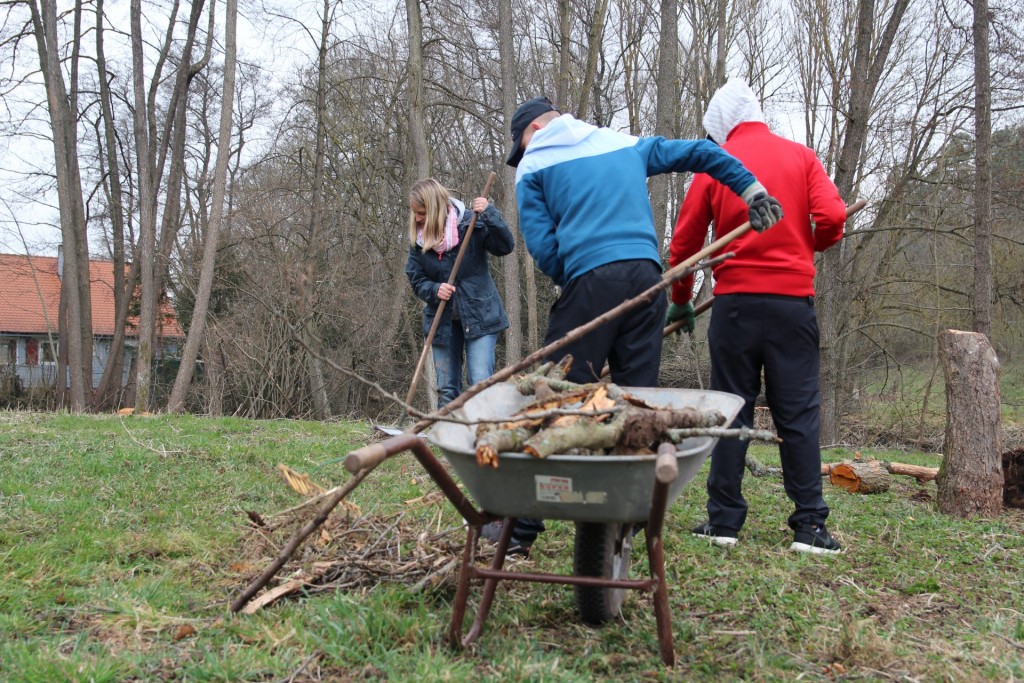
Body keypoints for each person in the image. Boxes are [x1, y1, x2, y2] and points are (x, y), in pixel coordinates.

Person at [481, 95, 784, 556]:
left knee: (558, 395)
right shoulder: (621, 143)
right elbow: (701, 153)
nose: (521, 155)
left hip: (590, 281)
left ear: (534, 131)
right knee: (636, 402)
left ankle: (520, 527)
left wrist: (581, 276)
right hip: (647, 280)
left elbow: (543, 246)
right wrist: (751, 191)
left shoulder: (534, 165)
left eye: (520, 145)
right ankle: (625, 516)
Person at [668, 79, 848, 555]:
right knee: (799, 415)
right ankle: (810, 527)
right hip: (792, 306)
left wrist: (682, 297)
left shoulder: (715, 165)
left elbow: (685, 247)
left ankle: (724, 523)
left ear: (720, 128)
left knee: (732, 408)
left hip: (736, 308)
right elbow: (833, 216)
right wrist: (810, 246)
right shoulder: (802, 157)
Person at [405, 178, 514, 408]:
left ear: (435, 208)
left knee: (479, 384)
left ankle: (481, 439)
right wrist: (435, 289)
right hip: (442, 320)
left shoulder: (470, 224)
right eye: (415, 213)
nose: (417, 219)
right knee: (446, 389)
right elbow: (416, 279)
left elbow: (505, 246)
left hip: (480, 315)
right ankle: (448, 441)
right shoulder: (419, 240)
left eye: (422, 213)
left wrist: (490, 214)